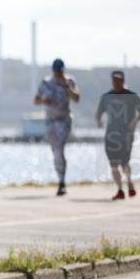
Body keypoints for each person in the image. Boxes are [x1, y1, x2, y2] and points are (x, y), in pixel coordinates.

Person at [96, 70, 140, 200]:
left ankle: (129, 181)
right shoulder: (106, 97)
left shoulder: (131, 96)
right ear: (112, 81)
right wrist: (99, 121)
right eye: (114, 80)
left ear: (123, 80)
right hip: (110, 136)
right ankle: (120, 190)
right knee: (113, 164)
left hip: (126, 136)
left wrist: (135, 121)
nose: (117, 82)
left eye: (119, 80)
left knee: (125, 163)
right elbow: (99, 113)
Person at [34, 58, 80, 196]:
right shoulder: (46, 83)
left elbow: (77, 99)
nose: (58, 73)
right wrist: (43, 100)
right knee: (55, 152)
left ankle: (62, 182)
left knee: (59, 149)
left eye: (60, 71)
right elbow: (35, 100)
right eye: (56, 71)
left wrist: (67, 87)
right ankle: (61, 179)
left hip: (64, 121)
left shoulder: (70, 81)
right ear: (53, 70)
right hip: (50, 122)